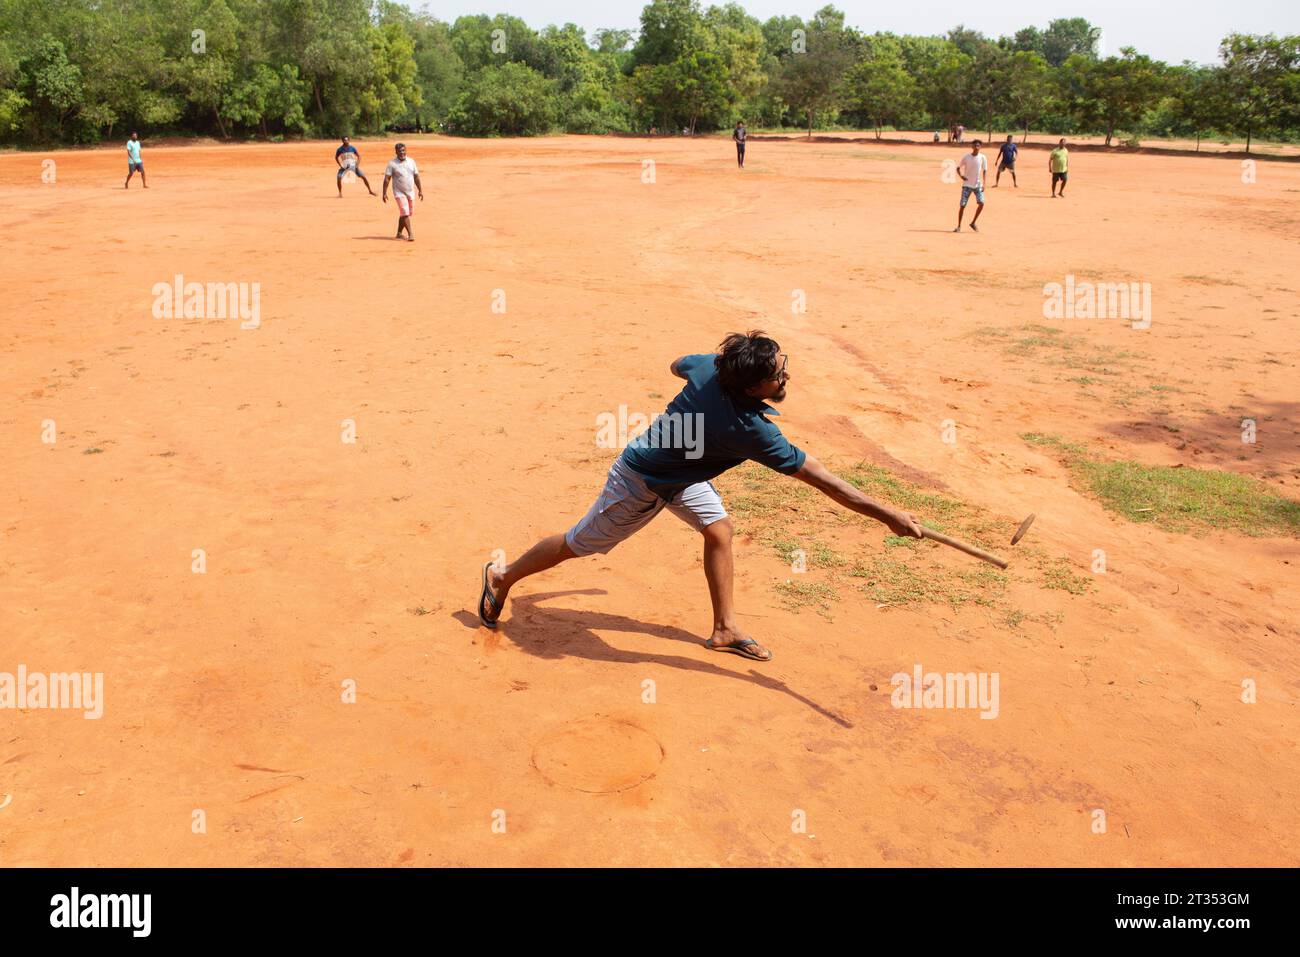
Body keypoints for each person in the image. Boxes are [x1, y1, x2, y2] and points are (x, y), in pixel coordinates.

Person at [476, 332, 924, 661]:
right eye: (774, 376)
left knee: (719, 531)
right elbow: (826, 481)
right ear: (750, 388)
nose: (783, 375)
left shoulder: (711, 368)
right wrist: (887, 515)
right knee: (580, 543)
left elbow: (678, 363)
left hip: (681, 473)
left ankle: (726, 628)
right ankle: (503, 576)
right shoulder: (751, 431)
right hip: (642, 480)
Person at [382, 142, 423, 241]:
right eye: (400, 151)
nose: (402, 153)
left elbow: (416, 176)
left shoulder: (411, 161)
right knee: (405, 212)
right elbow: (387, 178)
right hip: (399, 192)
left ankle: (399, 233)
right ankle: (410, 234)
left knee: (406, 213)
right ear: (396, 152)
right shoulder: (392, 163)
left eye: (403, 150)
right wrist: (384, 192)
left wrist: (420, 190)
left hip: (410, 191)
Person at [954, 139, 987, 233]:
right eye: (975, 145)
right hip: (967, 185)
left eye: (978, 146)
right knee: (962, 205)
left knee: (981, 203)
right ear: (972, 146)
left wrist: (984, 184)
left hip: (978, 185)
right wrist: (961, 176)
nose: (976, 147)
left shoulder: (983, 157)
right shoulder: (966, 157)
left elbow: (985, 171)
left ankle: (973, 223)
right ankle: (959, 226)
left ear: (980, 147)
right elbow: (958, 168)